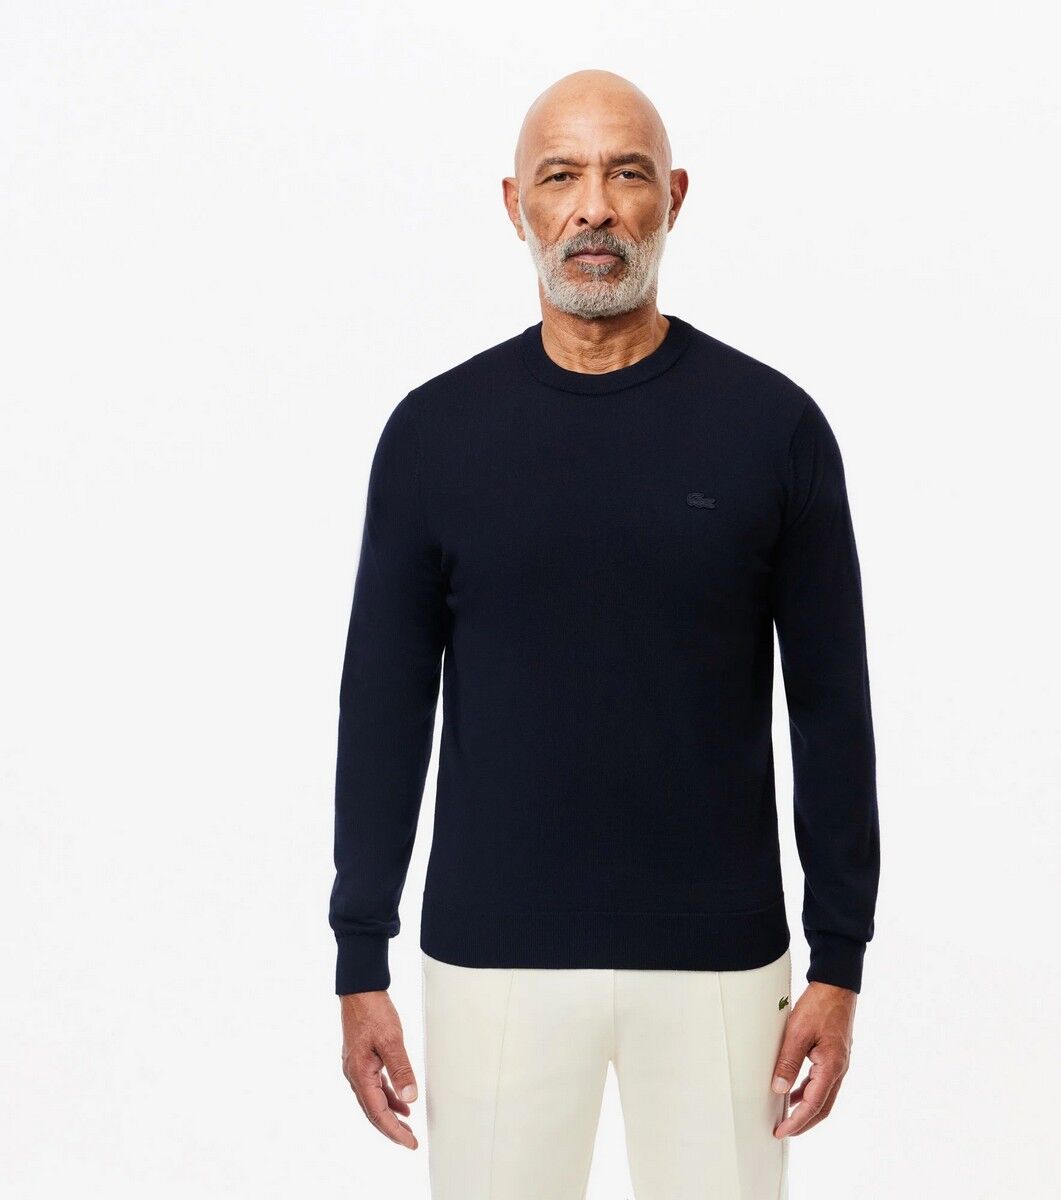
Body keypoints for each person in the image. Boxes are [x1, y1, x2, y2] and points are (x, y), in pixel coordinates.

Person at [329, 68, 880, 1199]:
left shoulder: (772, 429)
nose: (594, 207)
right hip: (493, 959)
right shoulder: (435, 437)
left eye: (626, 174)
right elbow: (383, 706)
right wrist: (358, 951)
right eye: (560, 176)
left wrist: (839, 958)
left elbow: (832, 707)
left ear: (673, 197)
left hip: (725, 962)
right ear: (514, 205)